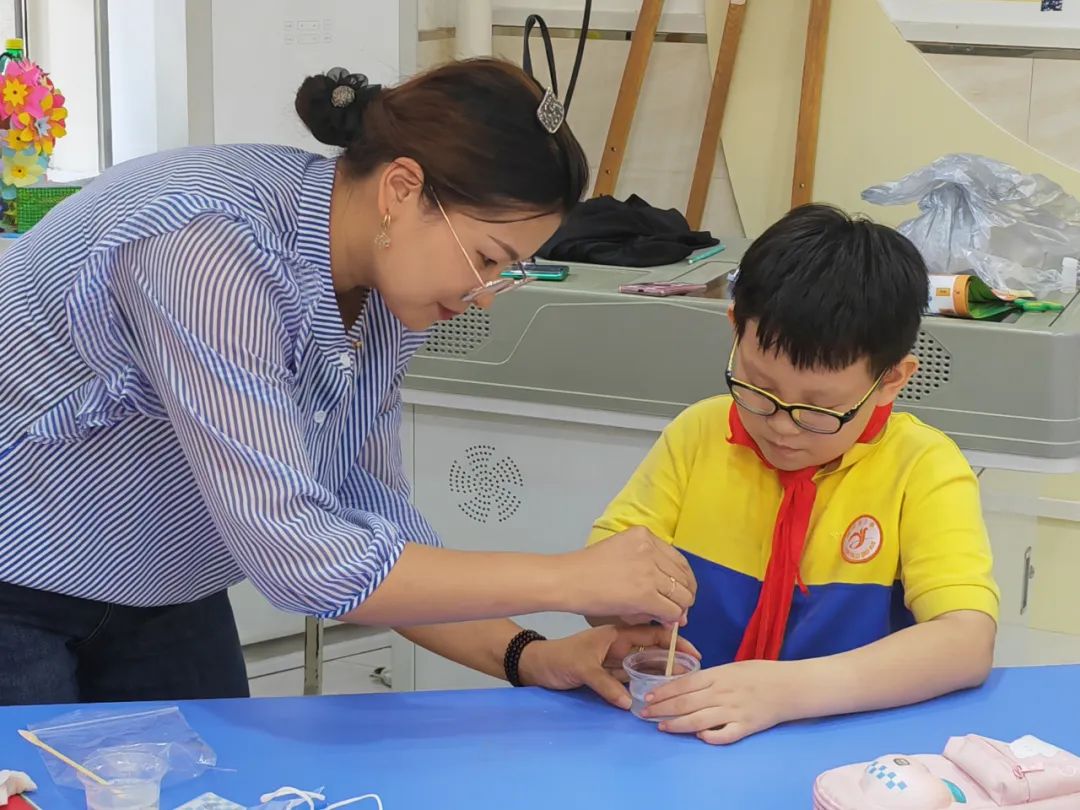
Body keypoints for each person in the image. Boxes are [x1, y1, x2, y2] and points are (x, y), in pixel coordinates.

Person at [0, 58, 697, 706]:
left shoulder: (385, 290)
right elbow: (301, 556)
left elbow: (375, 522)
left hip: (162, 584)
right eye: (488, 257)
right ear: (402, 189)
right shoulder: (206, 245)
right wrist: (570, 576)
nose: (485, 295)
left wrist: (528, 654)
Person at [586, 204, 1000, 743]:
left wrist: (785, 692)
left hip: (843, 747)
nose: (782, 427)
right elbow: (601, 580)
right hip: (680, 734)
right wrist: (623, 603)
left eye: (819, 409)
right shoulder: (699, 434)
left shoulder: (921, 467)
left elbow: (966, 643)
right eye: (758, 388)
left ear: (892, 380)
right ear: (736, 330)